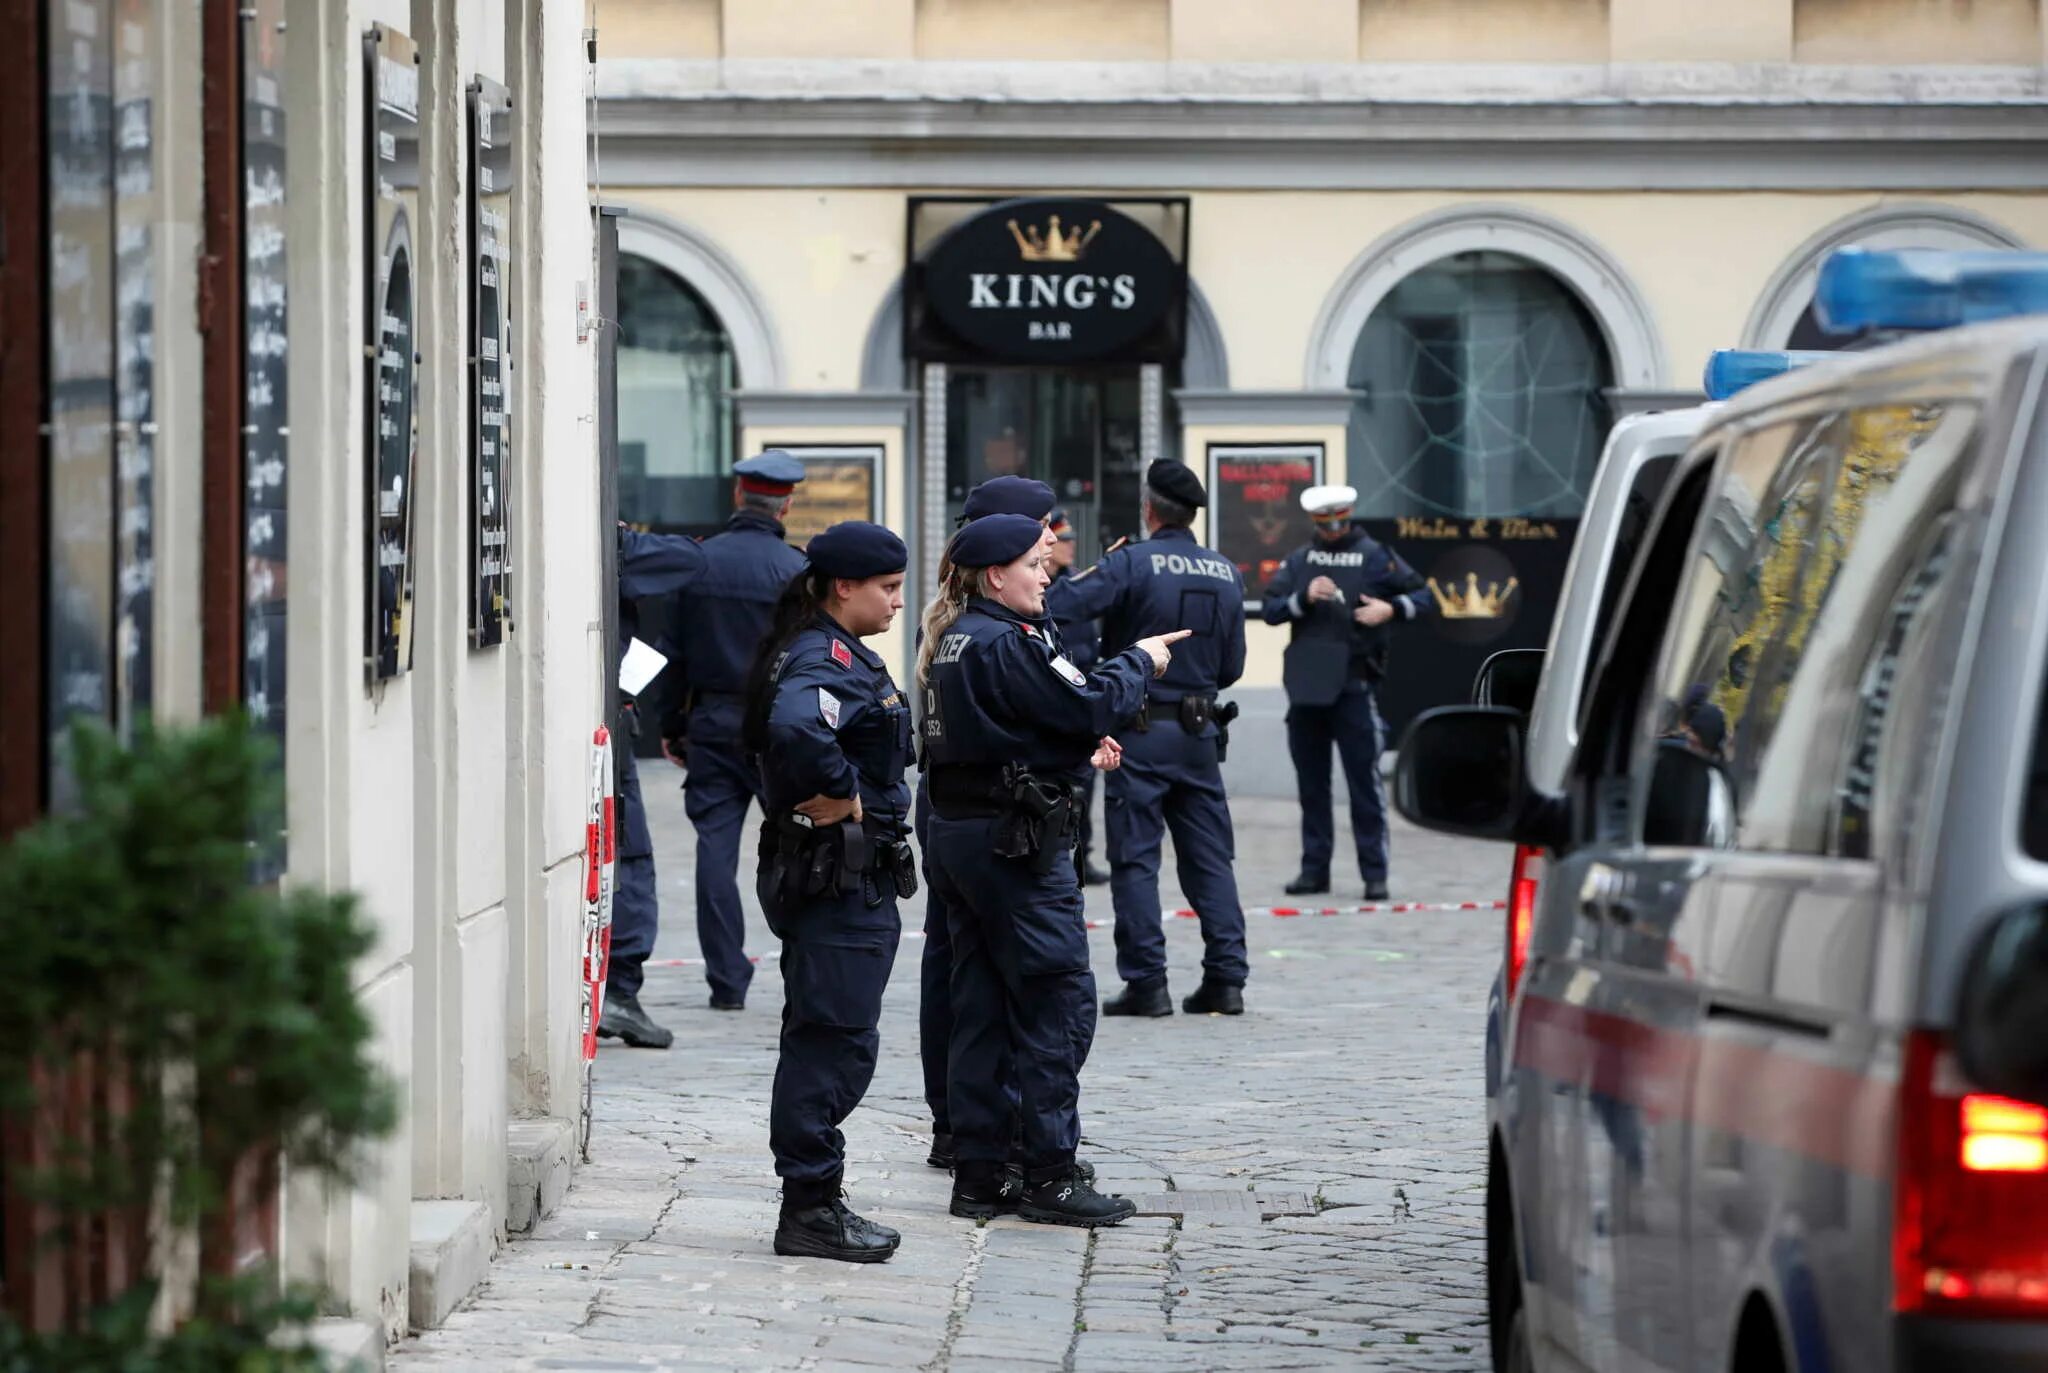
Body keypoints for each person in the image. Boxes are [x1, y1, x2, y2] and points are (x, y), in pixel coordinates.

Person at [918, 513, 1188, 1226]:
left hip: (967, 833)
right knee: (1054, 999)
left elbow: (1014, 730)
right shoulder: (1005, 641)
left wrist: (1070, 753)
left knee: (979, 1006)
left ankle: (982, 1171)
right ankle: (1049, 1172)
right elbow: (1085, 700)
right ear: (995, 573)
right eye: (1036, 563)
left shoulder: (958, 637)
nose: (1047, 574)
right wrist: (1141, 659)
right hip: (1012, 846)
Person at [742, 521, 917, 1263]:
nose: (898, 602)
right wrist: (845, 794)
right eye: (888, 588)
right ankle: (809, 1204)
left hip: (843, 871)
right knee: (831, 1039)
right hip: (834, 872)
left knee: (835, 1033)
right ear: (844, 586)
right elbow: (793, 728)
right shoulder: (820, 655)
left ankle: (816, 1195)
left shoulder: (827, 647)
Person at [1045, 461, 1249, 1017]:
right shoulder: (1227, 570)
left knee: (1136, 860)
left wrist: (1100, 570)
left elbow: (1057, 605)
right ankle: (1227, 979)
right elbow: (1231, 666)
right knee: (1211, 859)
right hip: (1201, 733)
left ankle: (1147, 982)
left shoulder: (1132, 561)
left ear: (1150, 508)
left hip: (1141, 730)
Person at [917, 476, 1061, 1172]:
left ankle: (975, 1135)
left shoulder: (961, 615)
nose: (1054, 541)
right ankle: (994, 1136)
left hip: (961, 806)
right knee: (1003, 979)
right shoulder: (988, 625)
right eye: (1041, 531)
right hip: (991, 812)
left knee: (969, 974)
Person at [660, 451, 809, 1012]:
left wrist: (675, 725)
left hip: (714, 723)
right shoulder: (795, 570)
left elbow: (671, 655)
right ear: (786, 503)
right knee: (798, 846)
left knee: (714, 853)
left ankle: (726, 981)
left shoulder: (700, 562)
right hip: (778, 727)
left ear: (738, 497)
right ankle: (803, 967)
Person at [1261, 485, 1435, 901]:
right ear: (1316, 523)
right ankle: (1313, 870)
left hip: (1354, 687)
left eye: (1339, 521)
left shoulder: (1375, 554)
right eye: (1325, 523)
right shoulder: (1302, 559)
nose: (1333, 529)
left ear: (1350, 516)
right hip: (1307, 690)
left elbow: (1425, 596)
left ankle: (1374, 873)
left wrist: (1389, 609)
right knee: (1312, 785)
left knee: (1364, 784)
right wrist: (1303, 598)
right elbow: (1270, 609)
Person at [600, 523, 709, 1050]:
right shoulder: (604, 538)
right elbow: (688, 557)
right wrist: (622, 536)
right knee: (630, 854)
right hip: (607, 727)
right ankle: (618, 989)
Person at [1045, 509, 1109, 888]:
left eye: (1071, 539)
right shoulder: (1043, 593)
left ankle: (1083, 855)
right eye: (1062, 539)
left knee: (1087, 785)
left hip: (1083, 694)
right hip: (1055, 699)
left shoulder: (1077, 585)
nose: (1070, 546)